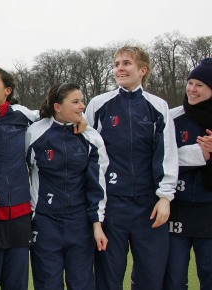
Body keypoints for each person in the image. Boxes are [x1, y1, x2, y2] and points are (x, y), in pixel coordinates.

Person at [85, 45, 179, 290]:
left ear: (142, 70)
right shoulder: (99, 104)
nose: (120, 68)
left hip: (149, 207)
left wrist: (165, 197)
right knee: (108, 277)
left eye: (126, 63)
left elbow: (167, 153)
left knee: (150, 277)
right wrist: (95, 206)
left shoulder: (158, 106)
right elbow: (88, 153)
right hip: (112, 205)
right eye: (116, 64)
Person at [26, 83, 109, 290]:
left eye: (82, 100)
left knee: (81, 284)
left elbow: (97, 184)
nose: (82, 106)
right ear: (57, 106)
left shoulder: (91, 138)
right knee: (47, 284)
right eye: (75, 102)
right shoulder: (34, 133)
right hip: (45, 223)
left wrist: (97, 224)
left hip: (79, 223)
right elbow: (20, 172)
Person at [0, 67, 38, 290]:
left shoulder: (23, 115)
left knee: (17, 284)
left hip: (19, 215)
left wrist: (79, 121)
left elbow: (55, 118)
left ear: (7, 90)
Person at [164, 58, 212, 290]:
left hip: (209, 210)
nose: (192, 89)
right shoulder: (172, 117)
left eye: (199, 85)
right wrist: (201, 154)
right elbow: (161, 157)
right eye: (190, 83)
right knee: (174, 279)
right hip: (177, 209)